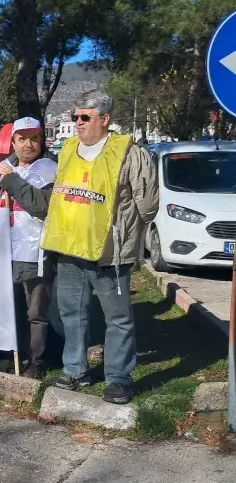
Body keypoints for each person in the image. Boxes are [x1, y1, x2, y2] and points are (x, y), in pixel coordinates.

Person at [41, 90, 159, 404]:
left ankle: (118, 379)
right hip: (70, 249)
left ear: (104, 120)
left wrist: (126, 232)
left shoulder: (130, 153)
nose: (77, 123)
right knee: (71, 314)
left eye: (84, 117)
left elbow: (147, 205)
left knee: (117, 319)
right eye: (74, 117)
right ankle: (75, 370)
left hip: (110, 254)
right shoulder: (67, 149)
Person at [0, 118, 58, 379]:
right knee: (11, 307)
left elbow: (41, 206)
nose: (28, 144)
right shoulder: (6, 167)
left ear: (41, 141)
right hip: (4, 251)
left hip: (36, 251)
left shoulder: (50, 170)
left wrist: (10, 179)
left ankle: (37, 360)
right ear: (13, 142)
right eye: (22, 139)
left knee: (35, 311)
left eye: (34, 138)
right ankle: (15, 355)